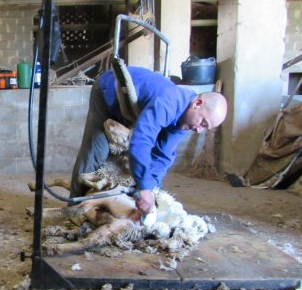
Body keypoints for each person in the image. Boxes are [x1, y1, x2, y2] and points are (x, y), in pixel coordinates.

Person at [70, 65, 227, 214]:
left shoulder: (184, 120)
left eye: (205, 128)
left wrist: (151, 190)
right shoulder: (169, 102)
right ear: (197, 104)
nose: (199, 130)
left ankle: (112, 209)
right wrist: (144, 189)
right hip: (108, 92)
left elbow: (163, 156)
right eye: (203, 123)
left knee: (149, 182)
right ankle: (74, 208)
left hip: (132, 107)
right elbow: (140, 142)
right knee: (97, 151)